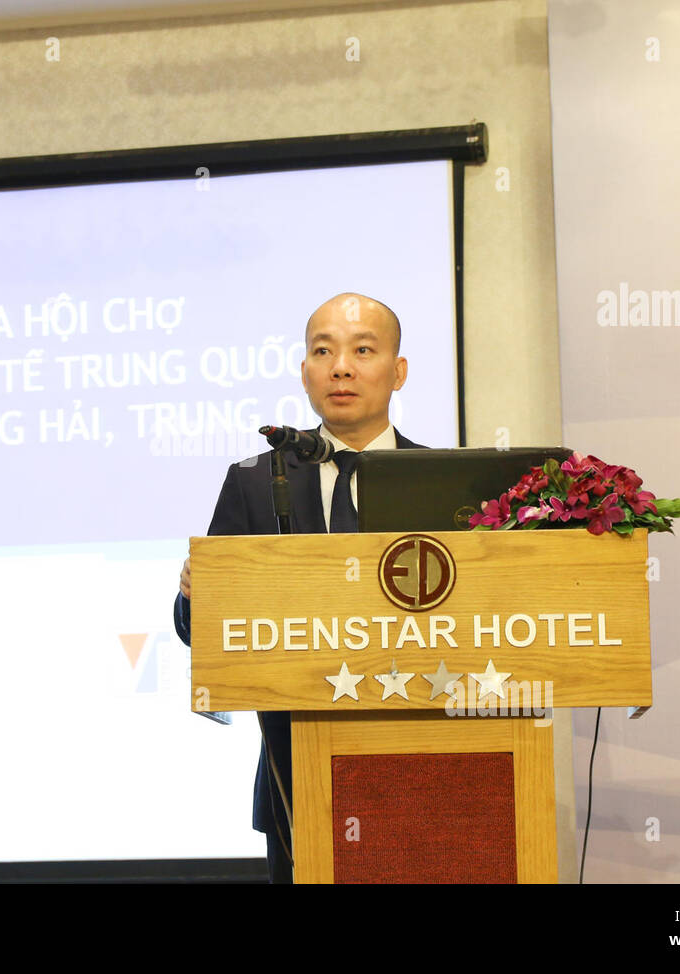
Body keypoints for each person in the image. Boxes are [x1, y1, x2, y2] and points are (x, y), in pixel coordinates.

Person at [172, 292, 426, 883]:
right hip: (296, 774)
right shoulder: (255, 481)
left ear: (398, 371)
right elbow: (198, 633)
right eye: (323, 350)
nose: (342, 366)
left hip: (421, 768)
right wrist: (194, 596)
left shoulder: (440, 479)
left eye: (363, 350)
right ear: (305, 372)